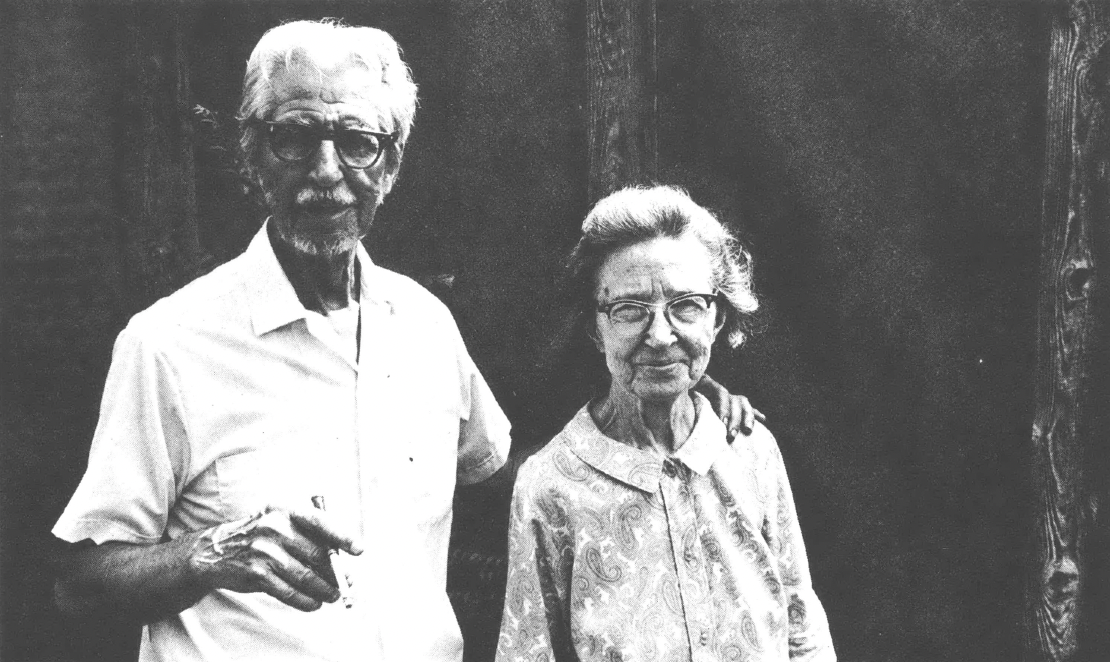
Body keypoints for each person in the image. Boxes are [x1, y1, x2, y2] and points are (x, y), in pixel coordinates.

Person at [51, 20, 760, 662]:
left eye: (356, 143)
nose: (326, 172)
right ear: (253, 154)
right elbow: (78, 583)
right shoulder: (169, 344)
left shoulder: (423, 325)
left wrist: (665, 399)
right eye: (295, 137)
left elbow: (509, 482)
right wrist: (214, 553)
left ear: (389, 167)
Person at [496, 185, 836, 661]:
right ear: (596, 328)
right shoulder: (550, 485)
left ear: (716, 319)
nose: (659, 336)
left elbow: (803, 630)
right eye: (630, 310)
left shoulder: (750, 448)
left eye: (686, 306)